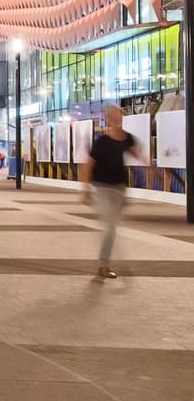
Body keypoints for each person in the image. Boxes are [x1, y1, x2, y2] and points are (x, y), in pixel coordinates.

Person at [80, 104, 140, 279]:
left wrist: (149, 164)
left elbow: (136, 153)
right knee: (110, 228)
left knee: (112, 225)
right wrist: (84, 190)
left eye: (120, 116)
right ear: (108, 119)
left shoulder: (127, 138)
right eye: (113, 117)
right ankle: (103, 265)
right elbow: (88, 165)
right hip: (103, 187)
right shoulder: (102, 142)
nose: (117, 119)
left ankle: (106, 258)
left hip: (120, 188)